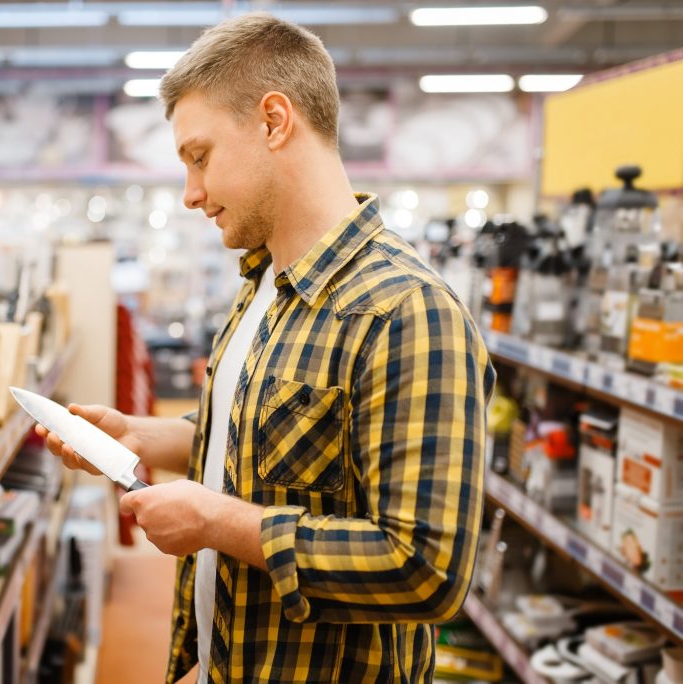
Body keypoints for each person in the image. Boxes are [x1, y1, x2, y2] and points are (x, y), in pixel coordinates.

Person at [37, 12, 495, 683]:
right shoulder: (264, 285)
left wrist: (216, 523)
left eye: (200, 157)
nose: (191, 194)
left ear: (275, 121)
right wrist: (145, 438)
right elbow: (275, 437)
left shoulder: (406, 313)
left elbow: (424, 570)